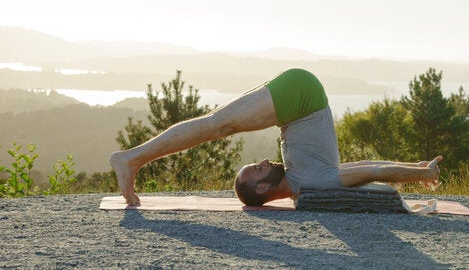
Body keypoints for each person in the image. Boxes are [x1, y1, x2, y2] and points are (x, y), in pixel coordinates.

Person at [110, 68, 442, 206]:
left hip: (299, 97)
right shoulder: (313, 184)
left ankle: (132, 159)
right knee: (218, 125)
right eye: (257, 168)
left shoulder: (307, 182)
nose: (264, 161)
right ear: (263, 188)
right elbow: (373, 170)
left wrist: (417, 168)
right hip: (301, 96)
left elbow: (370, 168)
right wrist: (421, 171)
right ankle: (131, 159)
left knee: (219, 123)